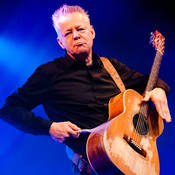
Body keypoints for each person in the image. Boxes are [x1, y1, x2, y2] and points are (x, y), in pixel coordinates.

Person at [0, 4, 171, 175]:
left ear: (91, 32)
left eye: (80, 29)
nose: (75, 35)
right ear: (61, 42)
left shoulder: (112, 66)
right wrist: (49, 127)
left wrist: (159, 89)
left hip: (135, 162)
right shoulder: (48, 73)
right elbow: (8, 109)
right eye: (68, 33)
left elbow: (148, 81)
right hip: (93, 168)